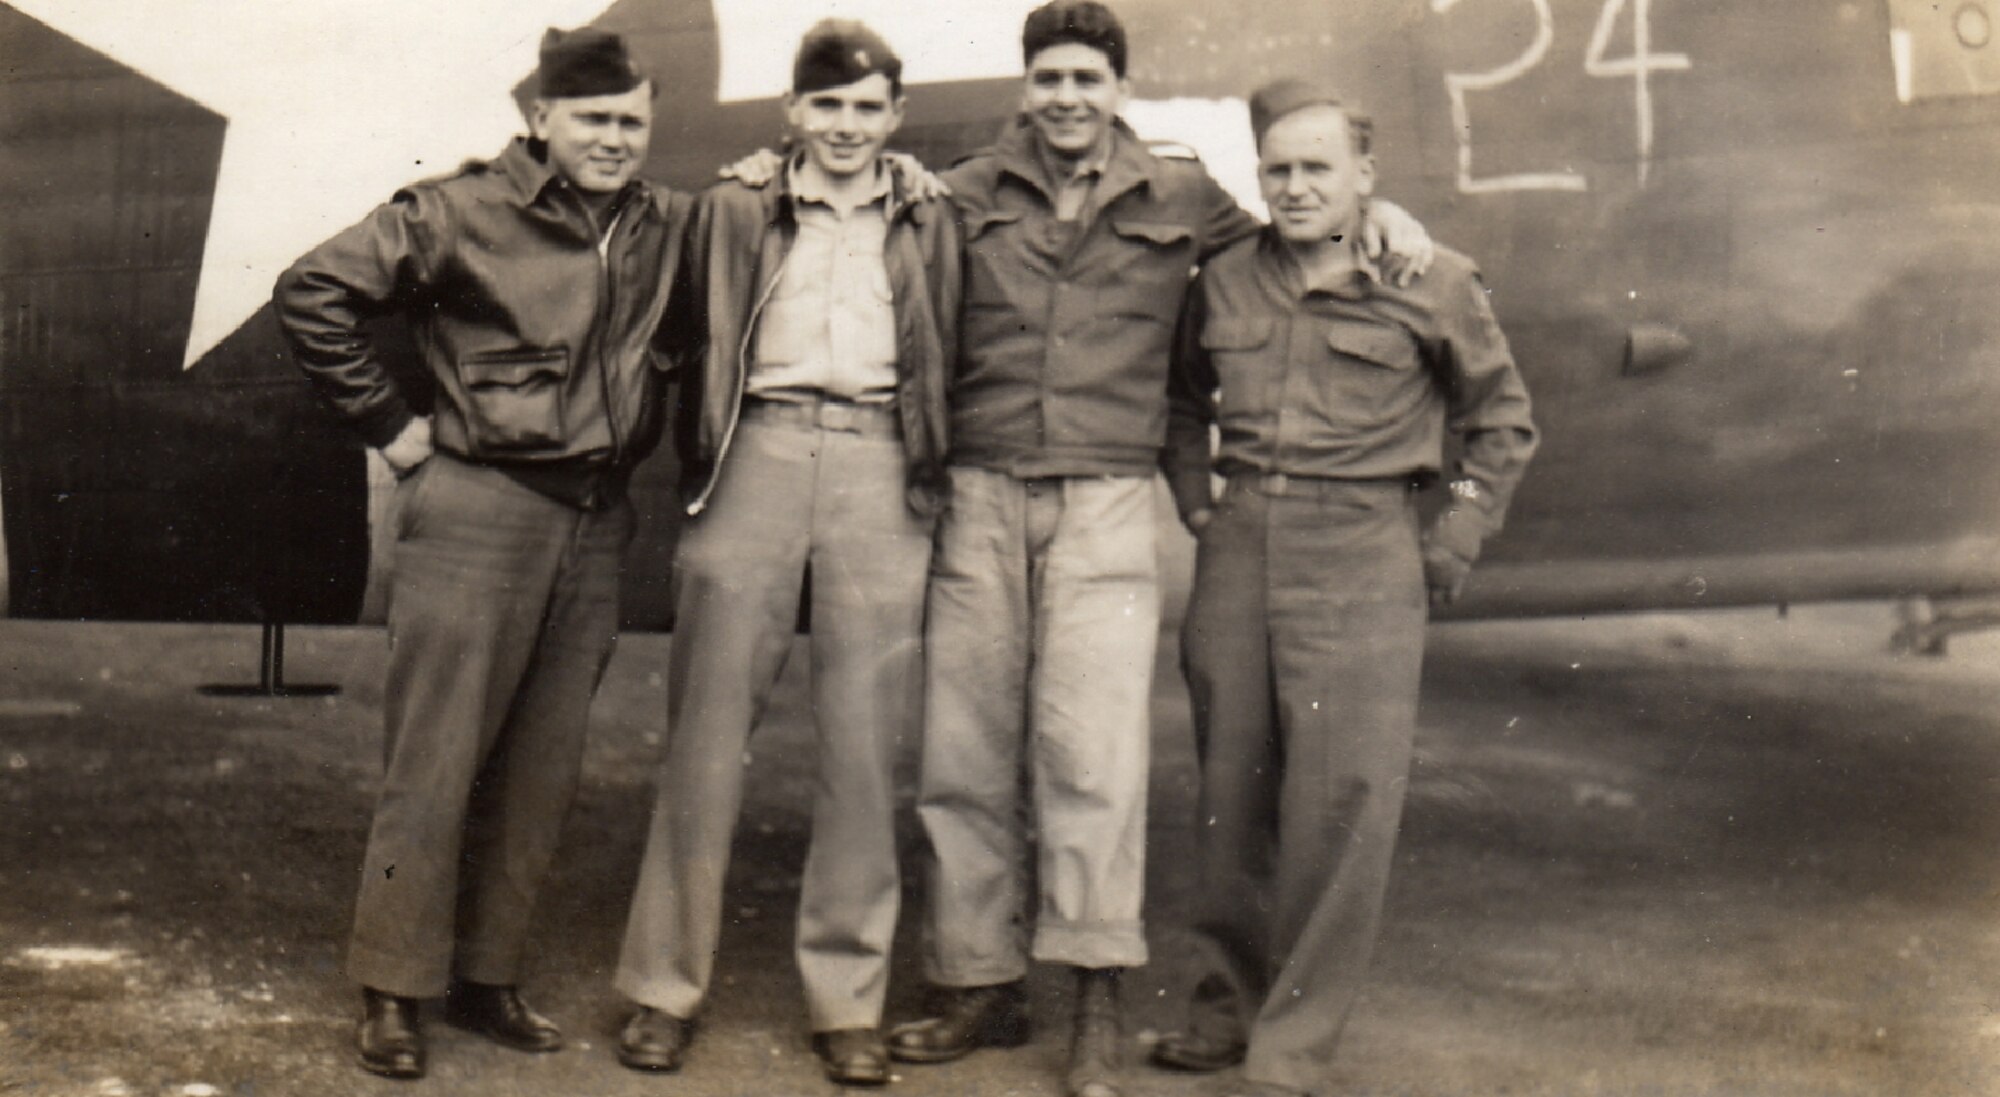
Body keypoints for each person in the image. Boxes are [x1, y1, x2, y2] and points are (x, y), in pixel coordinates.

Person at [878, 7, 1433, 1097]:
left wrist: (1389, 211)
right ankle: (978, 980)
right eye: (1047, 78)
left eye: (1087, 77)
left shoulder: (1180, 196)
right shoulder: (966, 187)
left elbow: (1293, 231)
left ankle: (1092, 994)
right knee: (963, 755)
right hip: (981, 494)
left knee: (1091, 758)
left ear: (1118, 88)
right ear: (1024, 87)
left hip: (1101, 499)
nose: (1067, 98)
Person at [273, 28, 691, 1081]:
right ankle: (394, 988)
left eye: (630, 122)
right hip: (479, 507)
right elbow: (313, 289)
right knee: (435, 760)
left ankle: (487, 973)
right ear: (540, 118)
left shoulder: (660, 224)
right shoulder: (461, 211)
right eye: (590, 119)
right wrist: (391, 427)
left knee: (542, 767)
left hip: (593, 521)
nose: (611, 140)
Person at [1149, 79, 1537, 1097]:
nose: (1293, 187)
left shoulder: (1432, 277)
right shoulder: (1224, 277)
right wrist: (1194, 499)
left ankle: (1292, 1044)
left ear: (1364, 175)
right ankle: (1219, 1009)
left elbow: (1501, 421)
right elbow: (1181, 399)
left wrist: (1450, 537)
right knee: (1229, 799)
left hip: (1363, 546)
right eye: (1276, 169)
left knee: (1338, 806)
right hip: (1241, 545)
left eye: (1316, 167)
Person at [609, 21, 959, 1087]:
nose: (845, 127)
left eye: (866, 108)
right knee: (705, 733)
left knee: (861, 750)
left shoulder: (929, 213)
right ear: (791, 114)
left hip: (876, 463)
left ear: (895, 118)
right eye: (826, 106)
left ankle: (845, 999)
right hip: (755, 451)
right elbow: (665, 327)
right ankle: (663, 988)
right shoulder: (734, 204)